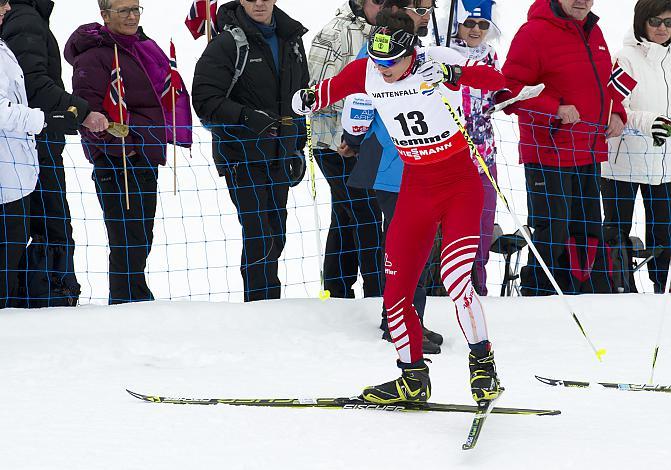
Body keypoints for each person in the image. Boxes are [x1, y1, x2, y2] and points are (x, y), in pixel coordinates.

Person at [293, 10, 505, 404]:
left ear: (411, 55)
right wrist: (306, 99)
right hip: (416, 188)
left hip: (459, 185)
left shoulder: (436, 59)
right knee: (396, 292)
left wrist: (456, 77)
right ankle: (412, 379)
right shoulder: (368, 69)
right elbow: (328, 89)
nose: (383, 70)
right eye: (378, 62)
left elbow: (498, 80)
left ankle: (483, 367)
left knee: (457, 279)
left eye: (392, 63)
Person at [65, 0, 193, 304]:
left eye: (136, 9)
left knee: (142, 235)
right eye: (123, 10)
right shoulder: (94, 58)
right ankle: (125, 302)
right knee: (126, 239)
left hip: (145, 155)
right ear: (105, 15)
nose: (132, 16)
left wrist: (145, 148)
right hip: (117, 160)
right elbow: (87, 114)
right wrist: (122, 150)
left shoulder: (145, 47)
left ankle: (135, 297)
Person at [500, 0, 627, 296]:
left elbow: (606, 83)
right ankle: (538, 293)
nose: (581, 0)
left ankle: (584, 291)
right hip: (549, 152)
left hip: (589, 149)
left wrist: (618, 112)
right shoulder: (532, 33)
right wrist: (553, 107)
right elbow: (506, 89)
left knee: (588, 229)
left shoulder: (594, 32)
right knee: (553, 230)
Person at [344, 0, 445, 355]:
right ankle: (397, 321)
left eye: (425, 11)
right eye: (414, 11)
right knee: (404, 245)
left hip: (419, 165)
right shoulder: (376, 54)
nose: (422, 16)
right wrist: (354, 137)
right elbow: (358, 102)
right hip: (393, 163)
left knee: (419, 244)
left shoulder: (419, 53)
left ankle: (410, 316)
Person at [192, 0, 309, 302]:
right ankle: (261, 304)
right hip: (241, 154)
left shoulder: (292, 39)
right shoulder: (227, 43)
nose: (259, 3)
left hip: (281, 154)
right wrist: (245, 116)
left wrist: (297, 145)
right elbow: (204, 100)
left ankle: (266, 301)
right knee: (260, 233)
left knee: (276, 231)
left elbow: (301, 98)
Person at [0, 0, 108, 307]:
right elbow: (34, 84)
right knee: (48, 221)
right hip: (33, 142)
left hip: (32, 141)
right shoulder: (25, 17)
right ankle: (48, 295)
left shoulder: (26, 15)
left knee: (37, 221)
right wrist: (80, 113)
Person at [308, 0, 385, 300]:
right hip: (335, 143)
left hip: (365, 144)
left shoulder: (383, 32)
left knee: (347, 214)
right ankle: (377, 291)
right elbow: (316, 88)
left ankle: (337, 289)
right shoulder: (336, 32)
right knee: (365, 213)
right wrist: (351, 123)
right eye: (377, 1)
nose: (383, 6)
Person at [602, 0, 671, 294]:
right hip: (623, 163)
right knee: (618, 228)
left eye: (669, 22)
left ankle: (661, 289)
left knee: (663, 230)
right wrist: (649, 121)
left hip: (665, 163)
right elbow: (614, 108)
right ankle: (619, 288)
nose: (662, 28)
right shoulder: (626, 58)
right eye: (655, 21)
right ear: (641, 21)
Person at [448, 0, 501, 296]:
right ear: (456, 24)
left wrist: (507, 98)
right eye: (469, 23)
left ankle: (478, 285)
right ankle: (448, 287)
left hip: (484, 153)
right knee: (453, 225)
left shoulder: (490, 56)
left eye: (482, 25)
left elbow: (493, 95)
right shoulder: (443, 54)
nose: (476, 30)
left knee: (483, 222)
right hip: (451, 154)